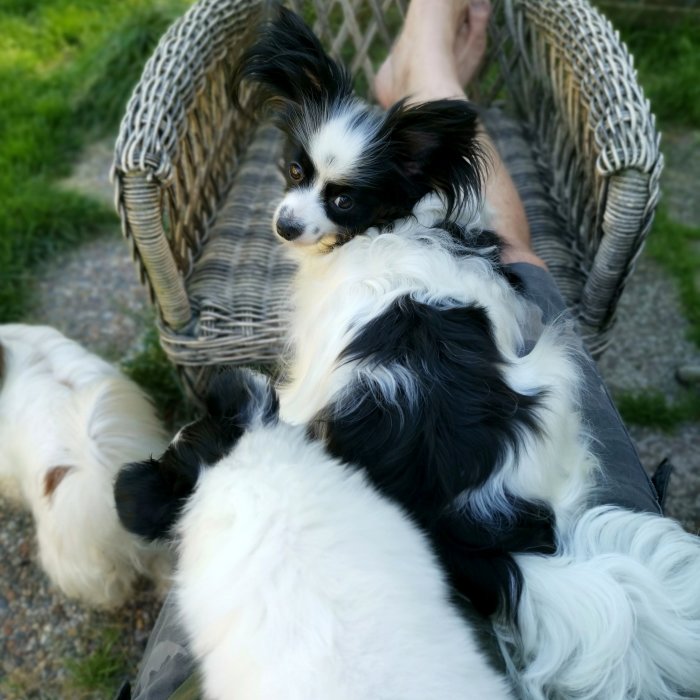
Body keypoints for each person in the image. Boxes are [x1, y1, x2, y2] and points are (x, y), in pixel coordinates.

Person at [116, 2, 664, 697]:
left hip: (418, 519)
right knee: (516, 255)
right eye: (297, 173)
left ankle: (424, 59)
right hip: (518, 484)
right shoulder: (410, 234)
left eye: (338, 200)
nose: (296, 212)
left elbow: (306, 404)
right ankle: (426, 61)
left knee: (505, 260)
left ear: (393, 195)